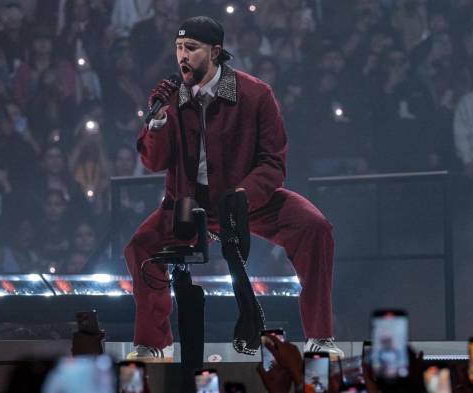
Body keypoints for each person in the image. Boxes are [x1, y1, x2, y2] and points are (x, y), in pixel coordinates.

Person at [124, 16, 342, 360]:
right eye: (178, 48)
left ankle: (320, 338)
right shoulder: (172, 99)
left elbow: (273, 161)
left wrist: (245, 194)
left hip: (246, 200)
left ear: (216, 52)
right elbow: (153, 162)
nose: (182, 56)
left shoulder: (255, 94)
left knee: (314, 227)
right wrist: (157, 121)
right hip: (186, 204)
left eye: (191, 49)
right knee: (141, 247)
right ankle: (154, 343)